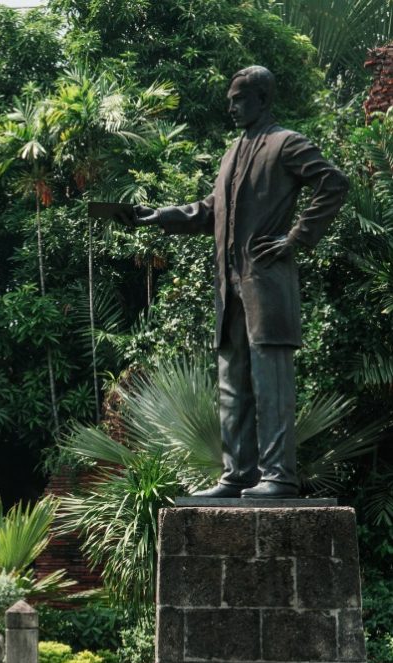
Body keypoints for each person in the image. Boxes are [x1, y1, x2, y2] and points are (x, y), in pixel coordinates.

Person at [133, 66, 348, 499]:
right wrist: (165, 217)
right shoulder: (232, 151)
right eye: (230, 99)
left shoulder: (286, 143)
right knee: (233, 386)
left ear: (262, 99)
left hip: (266, 284)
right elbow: (213, 208)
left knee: (271, 385)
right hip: (228, 289)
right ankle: (238, 474)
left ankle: (279, 476)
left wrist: (297, 237)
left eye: (238, 98)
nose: (230, 106)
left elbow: (333, 182)